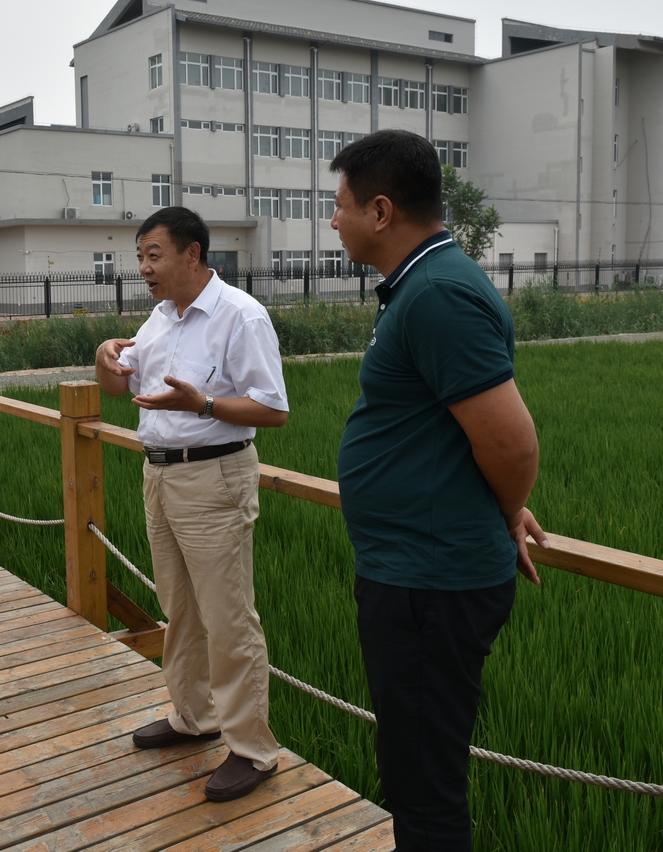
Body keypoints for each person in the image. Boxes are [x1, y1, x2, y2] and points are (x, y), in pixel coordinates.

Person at [328, 129, 549, 851]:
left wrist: (506, 511)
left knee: (423, 785)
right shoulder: (421, 286)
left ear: (381, 211)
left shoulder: (437, 295)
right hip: (415, 571)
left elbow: (512, 443)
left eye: (341, 205)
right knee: (415, 768)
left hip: (429, 582)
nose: (333, 220)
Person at [95, 207, 290, 803]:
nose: (144, 267)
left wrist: (203, 404)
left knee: (228, 617)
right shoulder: (159, 320)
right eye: (139, 257)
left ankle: (253, 750)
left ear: (193, 253)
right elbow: (119, 386)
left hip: (215, 477)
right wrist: (103, 358)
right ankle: (193, 717)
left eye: (154, 255)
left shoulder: (240, 315)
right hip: (159, 475)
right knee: (178, 607)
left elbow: (273, 408)